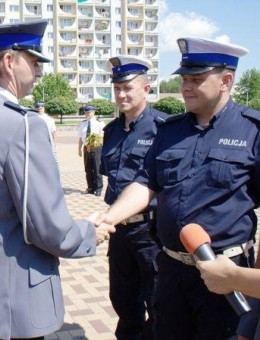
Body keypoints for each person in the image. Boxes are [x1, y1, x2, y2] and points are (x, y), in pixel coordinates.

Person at [0, 20, 112, 340]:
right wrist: (91, 231)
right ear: (9, 62)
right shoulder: (23, 126)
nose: (39, 71)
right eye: (34, 61)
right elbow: (50, 230)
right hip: (14, 309)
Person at [95, 36, 260, 339]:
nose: (185, 87)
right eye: (184, 79)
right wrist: (109, 218)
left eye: (196, 79)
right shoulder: (170, 131)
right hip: (171, 269)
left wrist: (253, 284)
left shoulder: (253, 131)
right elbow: (146, 184)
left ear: (225, 80)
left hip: (224, 271)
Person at [100, 55, 168, 340]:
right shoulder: (111, 132)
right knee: (123, 300)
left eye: (128, 88)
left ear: (146, 89)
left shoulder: (164, 129)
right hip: (119, 232)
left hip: (150, 232)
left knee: (158, 302)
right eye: (117, 88)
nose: (121, 94)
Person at [78, 105, 105, 196]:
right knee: (88, 169)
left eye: (89, 112)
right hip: (86, 148)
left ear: (94, 112)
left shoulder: (99, 123)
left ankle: (98, 188)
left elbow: (103, 136)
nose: (88, 114)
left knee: (97, 168)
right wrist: (79, 149)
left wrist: (97, 144)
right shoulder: (83, 124)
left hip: (96, 148)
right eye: (86, 112)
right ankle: (90, 187)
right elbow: (81, 138)